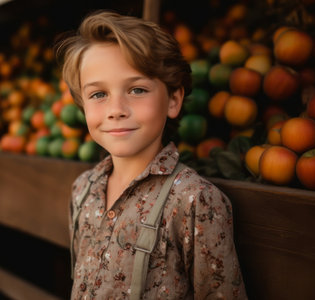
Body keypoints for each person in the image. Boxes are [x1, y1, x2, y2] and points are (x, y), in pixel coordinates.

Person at [56, 10, 247, 299]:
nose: (116, 109)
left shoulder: (194, 200)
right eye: (98, 94)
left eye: (137, 89)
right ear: (82, 105)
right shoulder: (83, 189)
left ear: (173, 100)